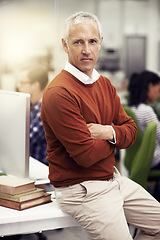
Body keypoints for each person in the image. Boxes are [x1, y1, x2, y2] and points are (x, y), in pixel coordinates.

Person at [41, 12, 160, 240]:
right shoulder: (59, 93)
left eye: (92, 41)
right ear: (65, 45)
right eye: (78, 42)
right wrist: (117, 138)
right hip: (82, 190)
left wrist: (107, 131)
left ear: (100, 43)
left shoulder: (104, 84)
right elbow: (85, 155)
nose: (86, 50)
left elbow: (131, 133)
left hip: (112, 179)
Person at [128, 70, 160, 170]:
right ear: (150, 86)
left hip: (138, 158)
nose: (158, 95)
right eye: (158, 90)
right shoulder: (146, 111)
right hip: (153, 160)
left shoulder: (131, 109)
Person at [17, 65, 48, 165]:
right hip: (28, 168)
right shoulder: (30, 107)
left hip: (41, 173)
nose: (18, 86)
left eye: (22, 82)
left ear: (35, 85)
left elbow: (25, 140)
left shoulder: (45, 109)